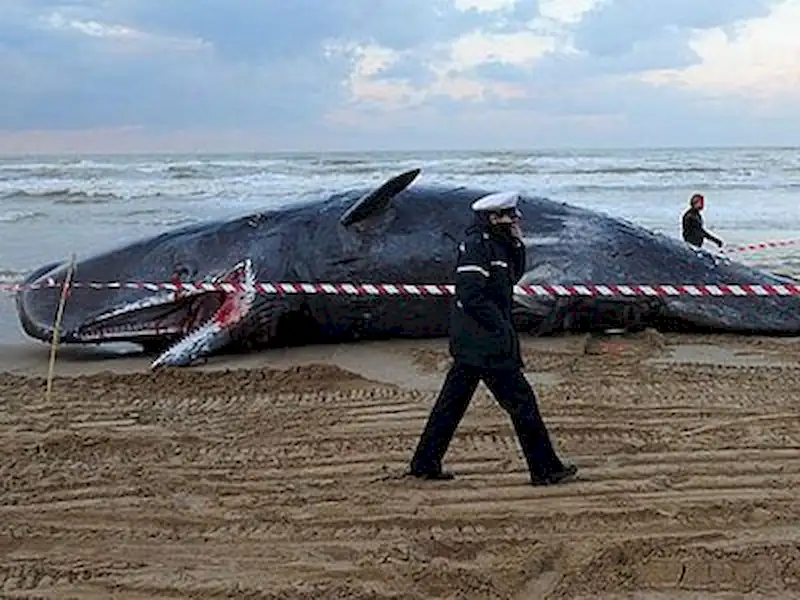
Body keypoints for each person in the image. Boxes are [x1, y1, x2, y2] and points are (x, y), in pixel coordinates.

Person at [407, 191, 578, 486]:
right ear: (493, 218)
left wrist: (517, 242)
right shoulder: (476, 247)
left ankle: (425, 462)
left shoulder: (499, 246)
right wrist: (500, 328)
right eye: (509, 216)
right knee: (522, 403)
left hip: (477, 340)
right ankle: (545, 468)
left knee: (452, 403)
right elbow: (471, 294)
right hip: (484, 341)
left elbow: (513, 275)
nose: (515, 220)